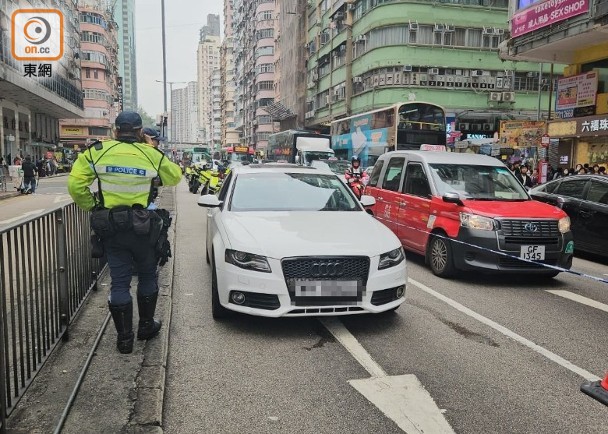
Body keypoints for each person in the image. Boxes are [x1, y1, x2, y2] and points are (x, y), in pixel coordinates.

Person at [67, 111, 182, 354]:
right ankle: (146, 327)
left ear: (115, 131)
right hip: (143, 228)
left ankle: (124, 340)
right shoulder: (150, 154)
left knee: (119, 282)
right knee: (148, 276)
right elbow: (174, 178)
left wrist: (94, 206)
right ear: (141, 132)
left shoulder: (97, 152)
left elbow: (75, 185)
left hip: (112, 228)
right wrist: (150, 149)